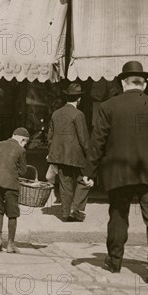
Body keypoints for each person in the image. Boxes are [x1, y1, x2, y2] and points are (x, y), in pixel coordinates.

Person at [82, 61, 148, 286]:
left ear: (123, 83)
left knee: (118, 215)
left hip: (119, 171)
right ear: (143, 84)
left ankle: (114, 261)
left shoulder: (108, 107)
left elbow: (97, 143)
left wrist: (90, 172)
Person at [47, 82, 90, 221]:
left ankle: (66, 214)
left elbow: (50, 137)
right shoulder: (78, 115)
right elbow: (83, 138)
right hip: (76, 156)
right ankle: (75, 209)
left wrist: (52, 152)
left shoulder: (55, 114)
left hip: (59, 155)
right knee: (84, 181)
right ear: (79, 99)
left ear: (67, 97)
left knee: (65, 184)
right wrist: (90, 154)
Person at [0, 127, 29, 254]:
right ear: (22, 139)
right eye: (26, 142)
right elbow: (22, 171)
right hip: (10, 185)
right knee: (12, 214)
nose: (25, 144)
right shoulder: (21, 150)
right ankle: (10, 244)